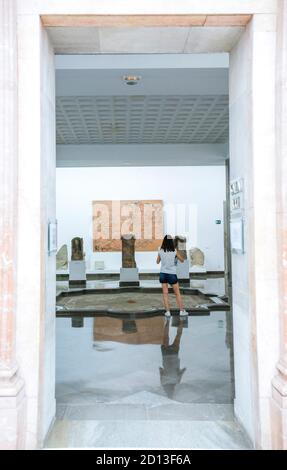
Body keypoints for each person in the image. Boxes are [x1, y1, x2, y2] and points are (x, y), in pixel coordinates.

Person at [156, 235, 188, 317]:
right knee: (177, 294)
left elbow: (157, 262)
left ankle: (167, 312)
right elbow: (182, 260)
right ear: (171, 242)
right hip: (172, 274)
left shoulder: (160, 250)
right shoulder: (174, 251)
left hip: (163, 274)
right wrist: (177, 256)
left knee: (165, 294)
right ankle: (181, 311)